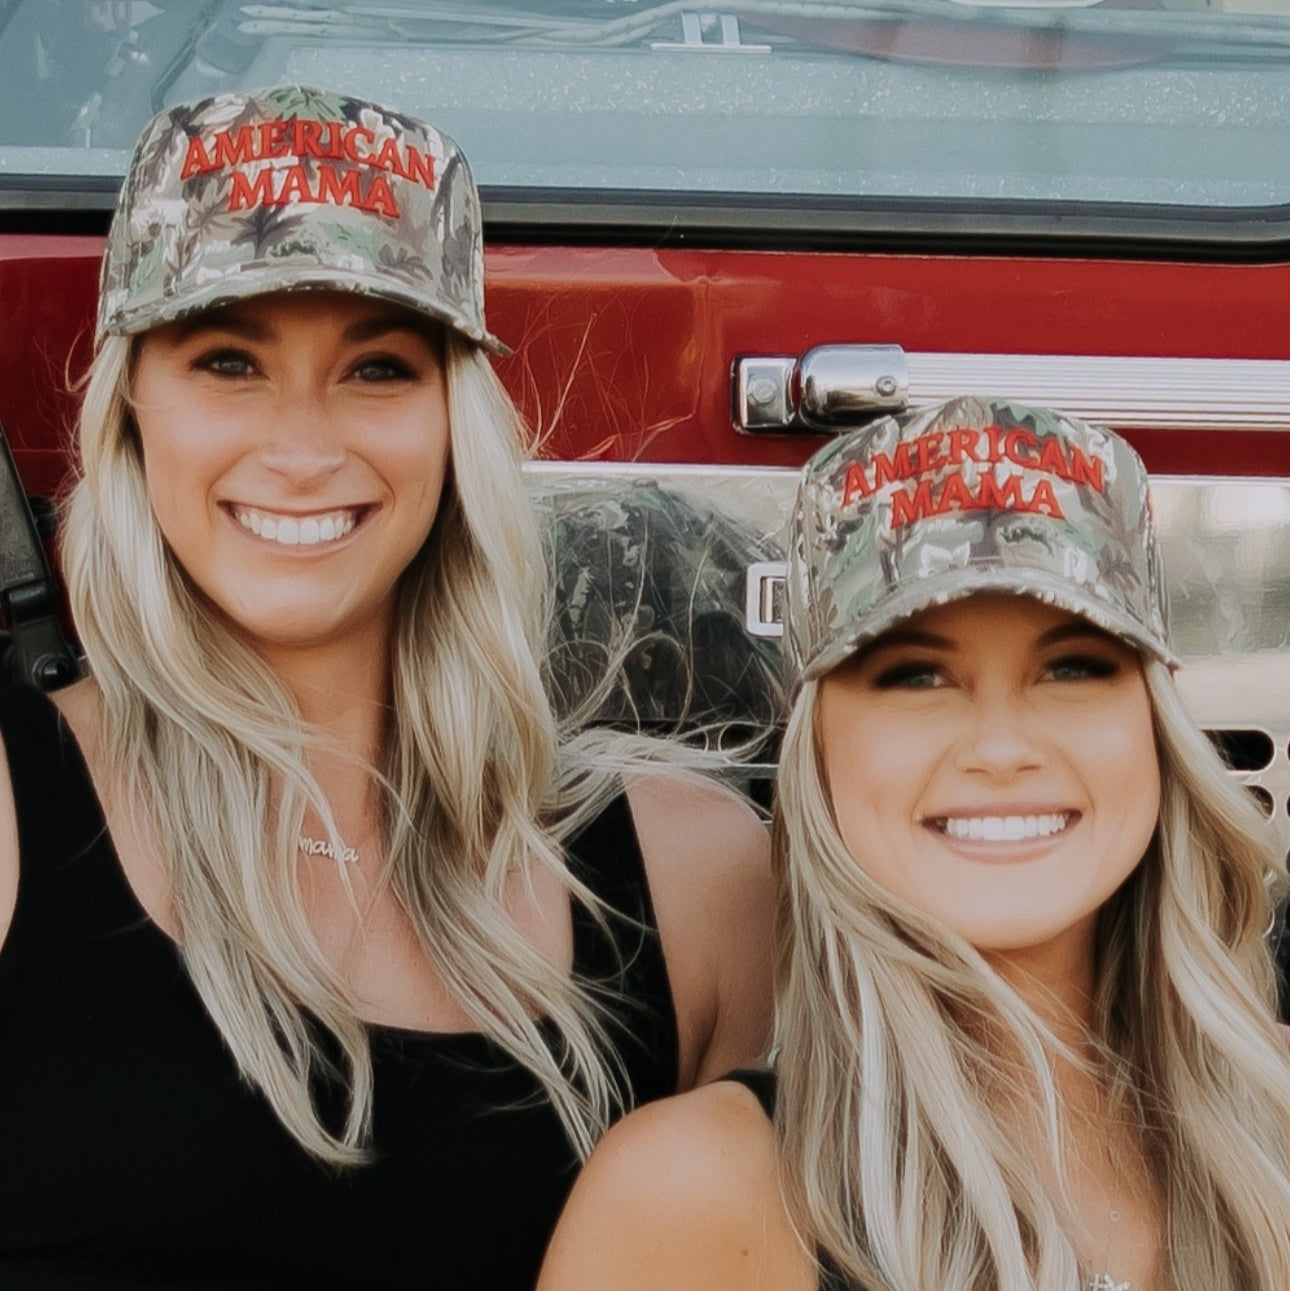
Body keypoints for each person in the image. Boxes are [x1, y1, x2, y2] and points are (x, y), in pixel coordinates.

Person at [0, 85, 773, 1288]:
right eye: (227, 360)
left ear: (455, 421)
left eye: (376, 368)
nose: (304, 449)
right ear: (131, 407)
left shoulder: (694, 880)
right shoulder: (10, 816)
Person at [538, 396, 1290, 1291]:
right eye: (917, 675)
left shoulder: (1273, 1120)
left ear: (1155, 725)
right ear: (818, 751)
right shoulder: (690, 1197)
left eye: (1073, 666)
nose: (1003, 746)